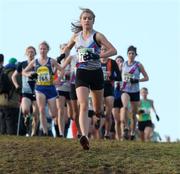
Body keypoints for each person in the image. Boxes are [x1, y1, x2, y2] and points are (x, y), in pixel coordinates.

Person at [58, 8, 117, 150]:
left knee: (97, 110)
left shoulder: (98, 36)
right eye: (84, 18)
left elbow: (114, 50)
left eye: (89, 18)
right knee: (83, 104)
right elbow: (67, 47)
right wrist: (62, 55)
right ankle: (84, 135)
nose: (87, 20)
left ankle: (98, 117)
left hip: (96, 74)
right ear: (81, 20)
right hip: (81, 73)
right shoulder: (76, 36)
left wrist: (99, 56)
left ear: (93, 21)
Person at [23, 41, 62, 135]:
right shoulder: (35, 62)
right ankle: (45, 132)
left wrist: (58, 79)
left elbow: (62, 70)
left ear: (47, 50)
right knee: (41, 110)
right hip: (39, 88)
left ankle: (49, 127)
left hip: (50, 88)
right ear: (39, 50)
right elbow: (24, 72)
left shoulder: (51, 61)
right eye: (41, 49)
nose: (42, 50)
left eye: (44, 49)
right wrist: (30, 74)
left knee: (53, 114)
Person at [121, 45, 149, 140]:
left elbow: (147, 78)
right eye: (129, 53)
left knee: (133, 114)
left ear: (135, 55)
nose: (131, 55)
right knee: (124, 107)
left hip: (135, 91)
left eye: (133, 53)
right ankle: (126, 127)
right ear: (127, 54)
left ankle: (132, 132)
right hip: (125, 90)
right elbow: (118, 76)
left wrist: (137, 80)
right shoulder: (123, 64)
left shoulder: (138, 65)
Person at [12, 46, 39, 136]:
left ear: (35, 53)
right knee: (25, 110)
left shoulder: (38, 63)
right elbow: (13, 76)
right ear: (26, 54)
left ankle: (33, 133)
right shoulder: (22, 64)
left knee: (36, 113)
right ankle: (26, 118)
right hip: (25, 91)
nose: (30, 53)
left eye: (32, 52)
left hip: (36, 91)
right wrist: (16, 86)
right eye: (29, 52)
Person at [100, 47, 121, 139]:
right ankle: (98, 126)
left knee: (108, 113)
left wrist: (111, 76)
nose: (104, 52)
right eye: (102, 50)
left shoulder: (112, 62)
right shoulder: (96, 62)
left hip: (109, 88)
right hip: (98, 88)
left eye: (106, 50)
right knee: (98, 111)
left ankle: (106, 134)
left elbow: (119, 77)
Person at [0, 55, 20, 135]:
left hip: (1, 101)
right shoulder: (16, 74)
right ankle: (11, 140)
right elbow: (20, 87)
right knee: (11, 123)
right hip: (12, 102)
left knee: (2, 122)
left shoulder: (3, 71)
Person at [112, 55, 124, 140]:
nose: (119, 62)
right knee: (117, 120)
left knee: (123, 119)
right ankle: (118, 137)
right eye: (117, 60)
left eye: (120, 61)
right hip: (114, 97)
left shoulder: (126, 72)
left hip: (123, 97)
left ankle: (123, 136)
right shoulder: (112, 72)